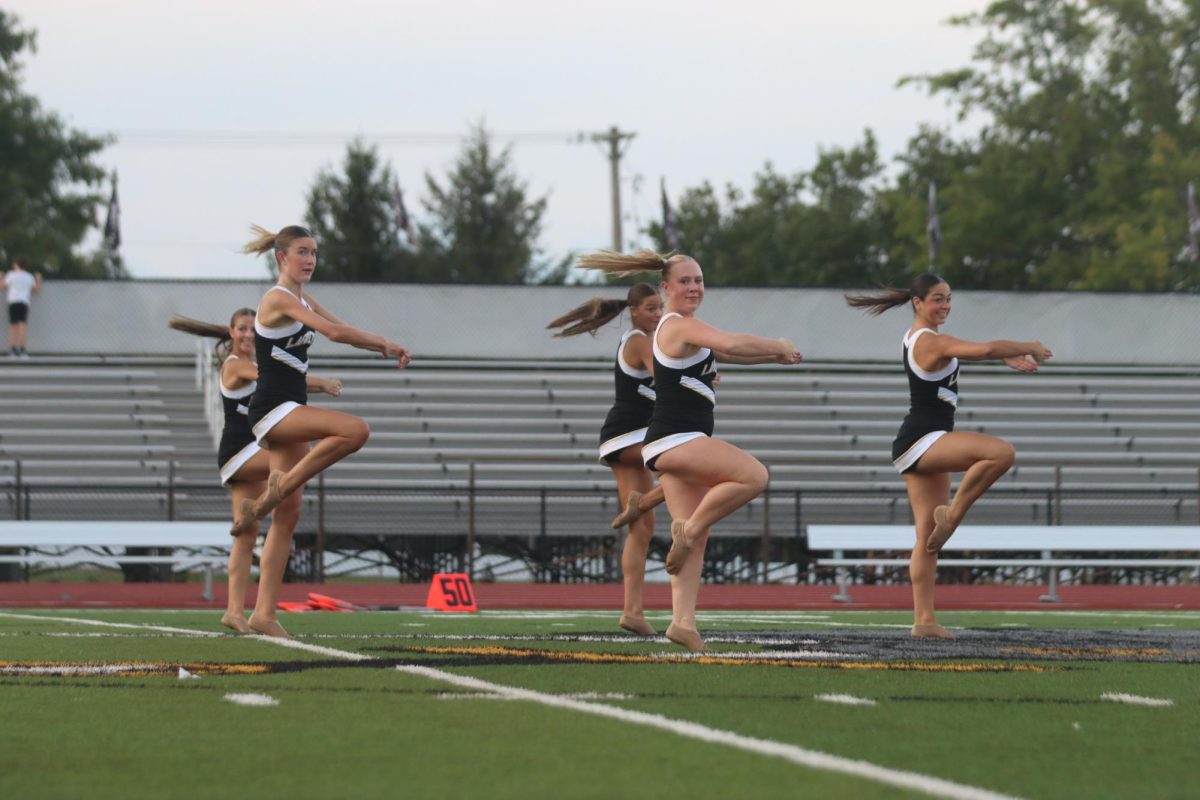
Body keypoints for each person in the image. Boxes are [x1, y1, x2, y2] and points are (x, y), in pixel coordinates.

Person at [577, 250, 801, 652]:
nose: (694, 286)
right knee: (754, 477)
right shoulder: (679, 324)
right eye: (685, 281)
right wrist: (779, 342)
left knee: (698, 538)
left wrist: (775, 357)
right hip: (677, 439)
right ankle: (689, 529)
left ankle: (683, 624)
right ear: (666, 288)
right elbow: (731, 340)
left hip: (669, 442)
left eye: (698, 280)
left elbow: (729, 353)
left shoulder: (682, 329)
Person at [845, 274, 1052, 639]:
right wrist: (1028, 344)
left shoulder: (921, 339)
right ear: (918, 302)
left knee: (928, 536)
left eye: (949, 299)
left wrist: (1005, 358)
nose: (945, 305)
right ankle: (954, 515)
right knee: (1000, 453)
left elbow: (979, 353)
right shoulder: (928, 341)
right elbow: (985, 349)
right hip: (924, 439)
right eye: (938, 299)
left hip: (922, 441)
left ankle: (924, 620)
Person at [230, 224, 411, 638]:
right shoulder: (276, 297)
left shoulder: (300, 297)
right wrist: (384, 342)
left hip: (292, 408)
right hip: (273, 409)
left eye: (313, 252)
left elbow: (339, 325)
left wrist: (384, 346)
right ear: (281, 258)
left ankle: (263, 613)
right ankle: (265, 498)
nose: (310, 259)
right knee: (355, 430)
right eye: (302, 252)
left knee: (288, 517)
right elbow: (331, 334)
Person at [169, 310, 342, 633]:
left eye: (253, 329)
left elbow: (283, 383)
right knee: (298, 454)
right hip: (239, 454)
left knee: (246, 535)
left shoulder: (255, 363)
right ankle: (268, 497)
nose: (249, 334)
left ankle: (234, 612)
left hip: (254, 453)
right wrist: (321, 382)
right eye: (243, 329)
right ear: (232, 333)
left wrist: (313, 386)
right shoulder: (235, 364)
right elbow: (270, 378)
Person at [546, 283, 669, 636]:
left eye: (659, 307)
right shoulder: (641, 341)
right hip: (629, 434)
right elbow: (666, 382)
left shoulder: (644, 340)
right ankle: (642, 501)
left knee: (642, 528)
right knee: (690, 463)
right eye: (650, 308)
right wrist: (703, 377)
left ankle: (632, 612)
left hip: (626, 437)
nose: (658, 314)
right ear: (633, 311)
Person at [1, 257, 42, 358]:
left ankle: (13, 350)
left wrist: (1, 277)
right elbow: (36, 289)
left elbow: (2, 286)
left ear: (16, 264)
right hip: (24, 302)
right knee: (22, 325)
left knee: (13, 326)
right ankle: (22, 350)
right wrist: (38, 280)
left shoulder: (11, 275)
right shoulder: (28, 276)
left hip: (13, 302)